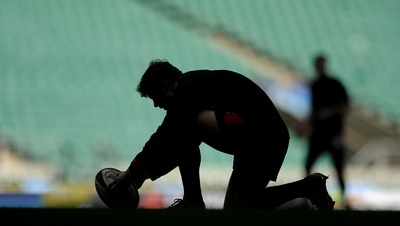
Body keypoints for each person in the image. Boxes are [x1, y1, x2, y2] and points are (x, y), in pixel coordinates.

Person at [106, 59, 335, 210]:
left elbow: (165, 137)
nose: (156, 104)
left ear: (166, 83)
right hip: (266, 136)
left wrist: (133, 173)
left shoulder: (187, 91)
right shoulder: (196, 85)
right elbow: (170, 142)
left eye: (154, 96)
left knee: (187, 127)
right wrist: (142, 174)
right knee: (238, 208)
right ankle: (306, 187)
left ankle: (192, 201)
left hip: (260, 135)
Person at [305, 54, 350, 206]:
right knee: (308, 164)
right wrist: (305, 124)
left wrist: (328, 112)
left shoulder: (335, 84)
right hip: (319, 133)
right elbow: (314, 110)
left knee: (339, 167)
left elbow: (345, 105)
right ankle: (307, 196)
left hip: (332, 133)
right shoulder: (315, 85)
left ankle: (344, 198)